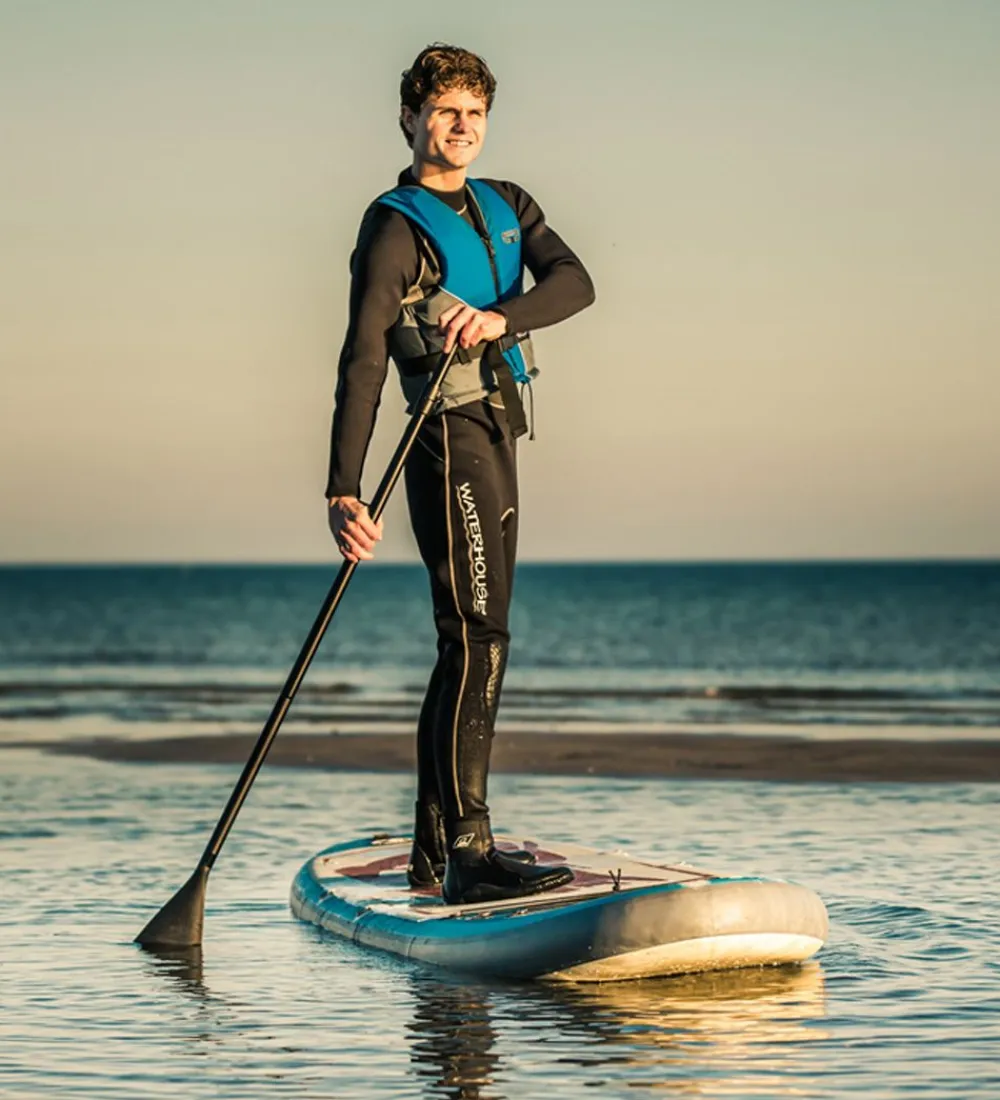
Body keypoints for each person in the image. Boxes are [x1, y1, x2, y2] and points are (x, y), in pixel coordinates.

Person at [325, 44, 595, 905]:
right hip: (445, 444)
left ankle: (432, 848)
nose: (462, 128)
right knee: (478, 638)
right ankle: (469, 853)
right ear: (410, 119)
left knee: (469, 643)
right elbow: (364, 359)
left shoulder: (507, 204)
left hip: (500, 430)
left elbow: (576, 283)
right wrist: (344, 487)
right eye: (445, 112)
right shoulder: (395, 226)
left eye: (475, 114)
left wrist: (498, 316)